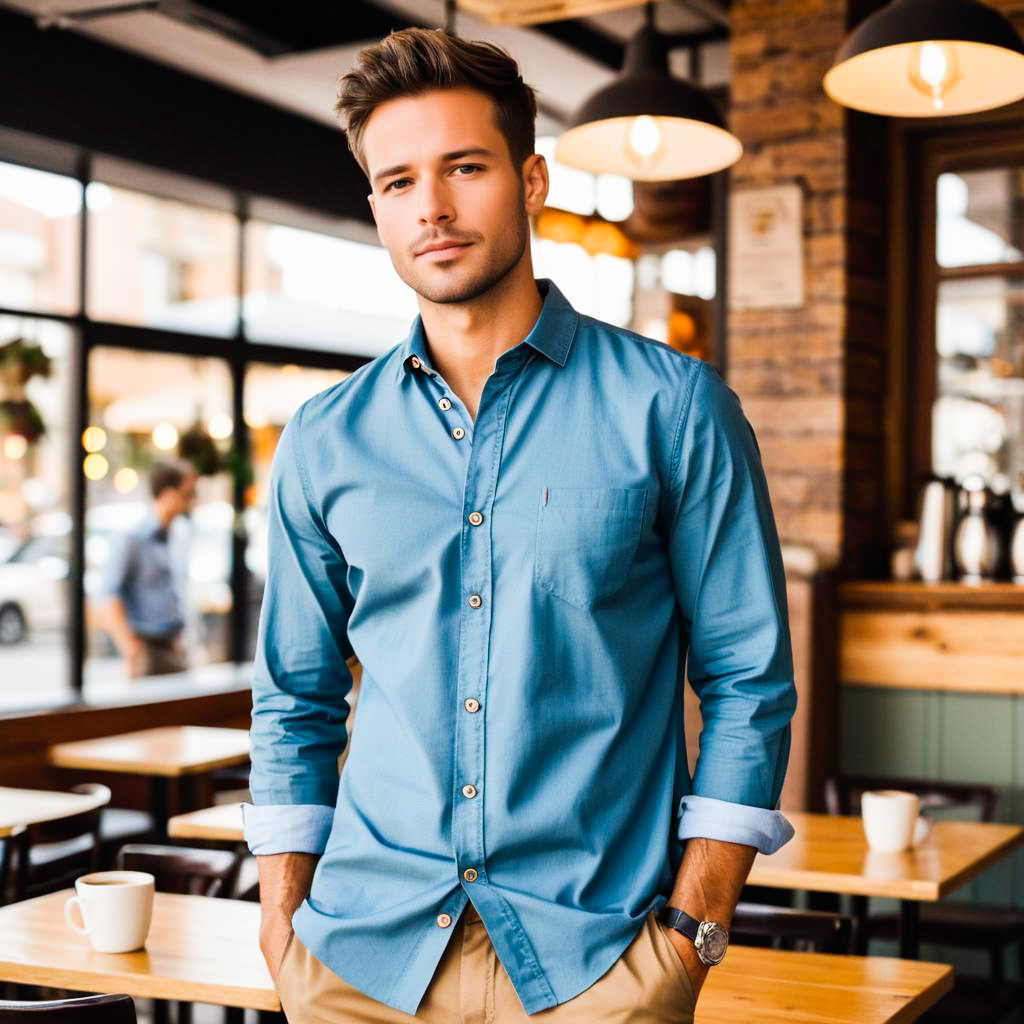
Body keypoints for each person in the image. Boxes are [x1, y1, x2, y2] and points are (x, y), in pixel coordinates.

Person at [244, 27, 797, 1024]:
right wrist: (282, 923)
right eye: (399, 180)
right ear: (374, 205)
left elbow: (747, 681)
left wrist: (692, 929)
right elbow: (294, 699)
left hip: (599, 965)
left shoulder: (671, 409)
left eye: (465, 167)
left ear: (531, 179)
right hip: (356, 962)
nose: (434, 207)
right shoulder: (325, 440)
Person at [96, 460, 196, 678]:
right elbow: (108, 595)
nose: (192, 500)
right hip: (148, 649)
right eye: (187, 494)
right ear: (169, 494)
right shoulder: (132, 539)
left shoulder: (180, 535)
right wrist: (130, 648)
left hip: (178, 645)